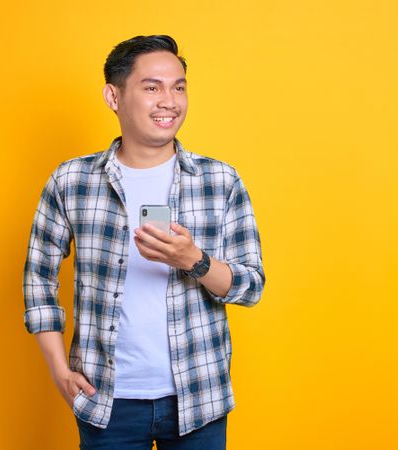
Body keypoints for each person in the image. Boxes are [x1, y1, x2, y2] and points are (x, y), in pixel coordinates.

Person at [22, 35, 266, 449]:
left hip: (198, 399)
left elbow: (251, 287)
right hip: (105, 401)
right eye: (152, 87)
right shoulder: (72, 181)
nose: (169, 100)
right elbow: (38, 279)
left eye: (179, 87)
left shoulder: (220, 180)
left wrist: (195, 260)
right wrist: (59, 369)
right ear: (113, 96)